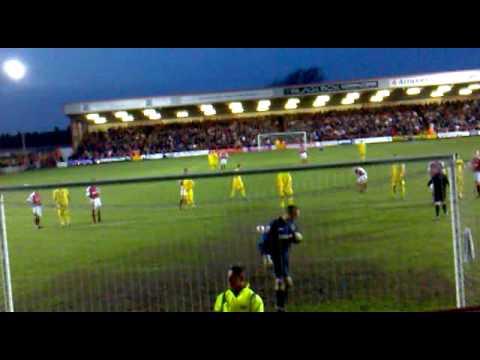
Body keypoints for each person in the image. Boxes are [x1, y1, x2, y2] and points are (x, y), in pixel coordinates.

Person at [258, 205, 302, 312]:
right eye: (295, 215)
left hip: (285, 257)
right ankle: (280, 307)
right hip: (275, 256)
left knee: (288, 282)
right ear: (289, 214)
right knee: (280, 280)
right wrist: (266, 256)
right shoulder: (275, 224)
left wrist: (297, 238)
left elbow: (295, 237)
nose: (295, 218)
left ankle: (281, 305)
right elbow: (263, 241)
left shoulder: (291, 224)